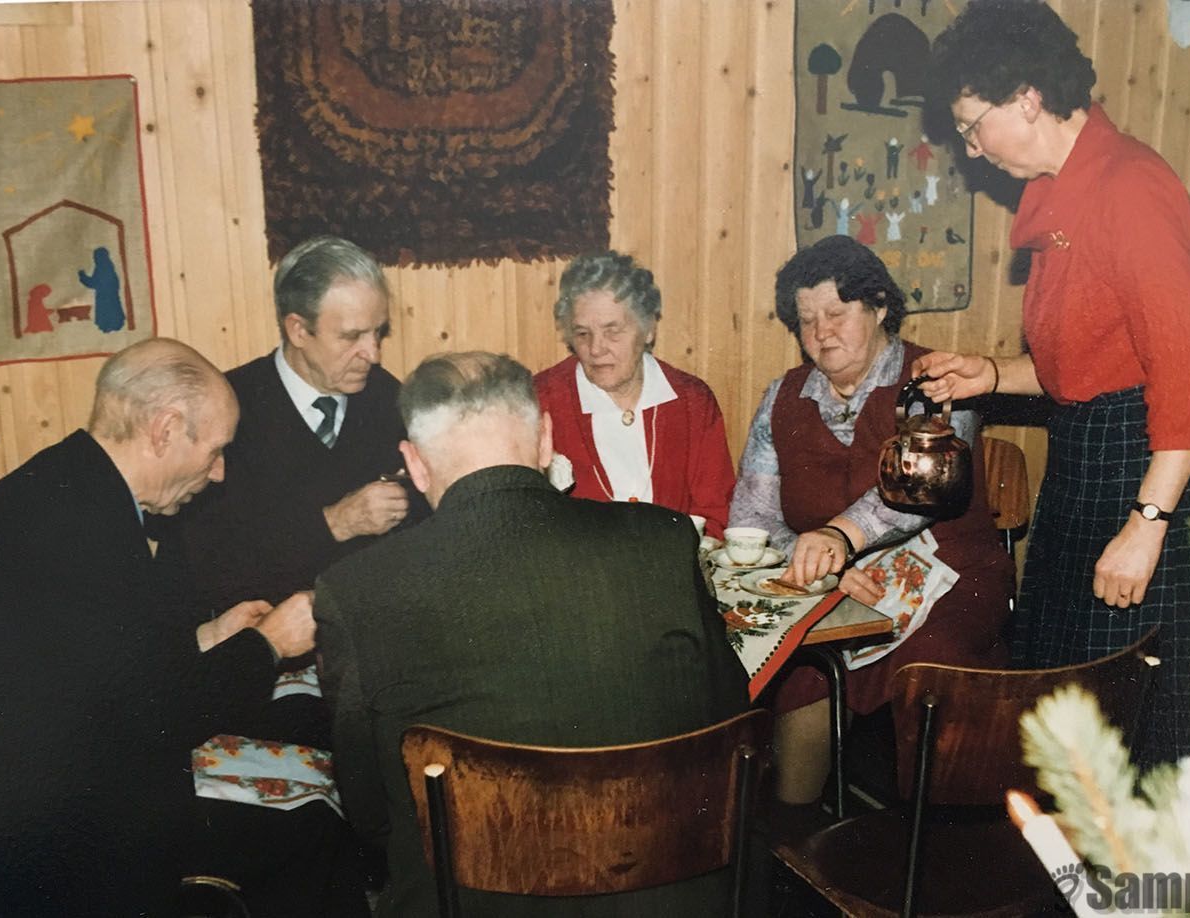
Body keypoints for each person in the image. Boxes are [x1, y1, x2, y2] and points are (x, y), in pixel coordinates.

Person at [316, 351, 749, 917]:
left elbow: (370, 810)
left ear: (415, 465)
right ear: (545, 439)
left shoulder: (356, 590)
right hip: (673, 898)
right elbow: (729, 712)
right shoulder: (662, 540)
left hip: (467, 905)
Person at [917, 0, 1190, 765]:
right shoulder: (1063, 193)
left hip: (1153, 471)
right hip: (1096, 456)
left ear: (1026, 98)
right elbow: (1088, 370)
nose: (969, 148)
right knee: (1061, 694)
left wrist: (1146, 525)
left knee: (1132, 723)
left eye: (970, 124)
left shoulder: (1129, 187)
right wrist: (992, 373)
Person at [0, 338, 315, 917]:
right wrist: (268, 645)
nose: (220, 473)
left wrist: (209, 636)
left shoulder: (66, 485)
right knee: (314, 842)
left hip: (40, 803)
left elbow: (103, 665)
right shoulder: (81, 528)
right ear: (166, 429)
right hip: (42, 850)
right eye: (217, 449)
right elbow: (158, 718)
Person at [159, 236, 420, 915]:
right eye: (353, 335)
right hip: (259, 662)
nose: (374, 352)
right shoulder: (229, 413)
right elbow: (208, 572)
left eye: (379, 332)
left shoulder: (388, 402)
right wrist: (330, 525)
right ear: (296, 329)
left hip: (365, 656)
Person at [729, 235, 1013, 805]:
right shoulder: (781, 396)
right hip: (833, 584)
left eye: (836, 313)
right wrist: (816, 561)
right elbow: (752, 514)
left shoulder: (935, 382)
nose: (820, 333)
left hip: (949, 578)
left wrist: (841, 540)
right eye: (806, 320)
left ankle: (929, 846)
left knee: (931, 671)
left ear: (879, 306)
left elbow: (920, 492)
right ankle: (802, 841)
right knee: (797, 672)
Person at [534, 251, 737, 536]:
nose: (595, 348)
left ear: (648, 329)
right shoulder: (541, 399)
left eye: (612, 330)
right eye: (582, 334)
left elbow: (715, 512)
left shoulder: (692, 401)